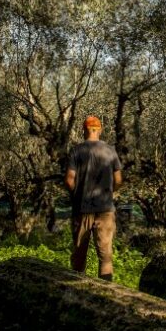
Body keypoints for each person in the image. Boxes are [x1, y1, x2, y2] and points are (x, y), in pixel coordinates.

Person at [65, 115, 122, 281]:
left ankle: (75, 291)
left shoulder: (77, 150)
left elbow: (69, 180)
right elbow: (118, 180)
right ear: (100, 130)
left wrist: (77, 194)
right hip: (105, 210)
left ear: (84, 130)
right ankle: (107, 293)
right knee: (105, 257)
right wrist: (110, 193)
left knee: (79, 257)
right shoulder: (110, 151)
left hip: (82, 209)